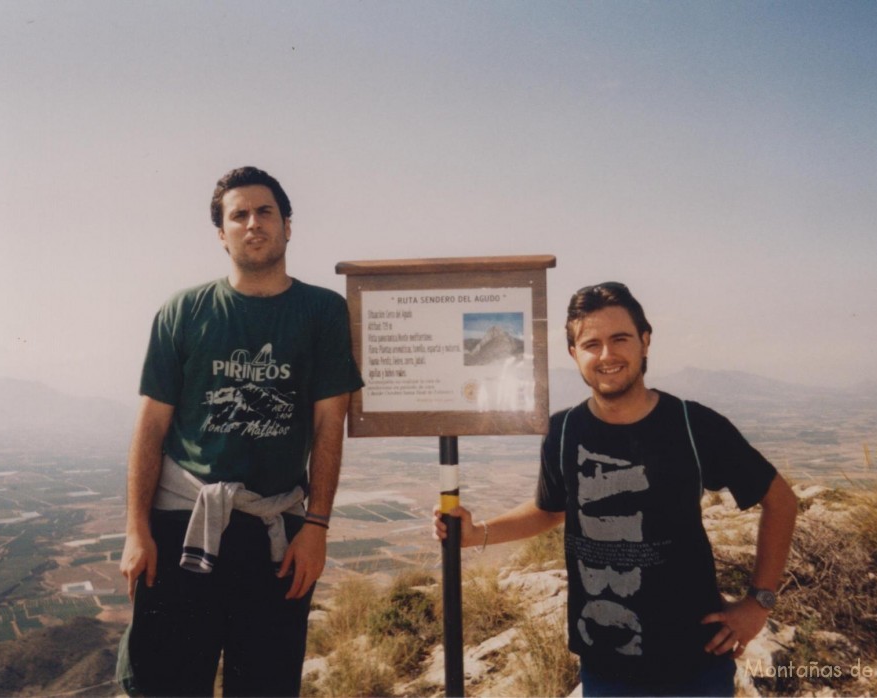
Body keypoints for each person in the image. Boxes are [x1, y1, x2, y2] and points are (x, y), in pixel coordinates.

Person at [434, 281, 797, 697]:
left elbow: (781, 501)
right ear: (574, 354)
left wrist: (758, 603)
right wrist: (477, 533)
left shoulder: (693, 425)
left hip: (694, 661)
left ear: (645, 341)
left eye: (620, 338)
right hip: (604, 665)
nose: (607, 355)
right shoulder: (563, 430)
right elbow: (552, 509)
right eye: (591, 344)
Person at [116, 166, 363, 697]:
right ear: (221, 233)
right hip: (182, 525)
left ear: (288, 225)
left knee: (266, 686)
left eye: (265, 211)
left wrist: (316, 525)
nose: (253, 223)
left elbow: (328, 423)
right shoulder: (184, 311)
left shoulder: (321, 311)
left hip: (275, 535)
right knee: (167, 684)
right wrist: (137, 530)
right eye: (239, 214)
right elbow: (151, 426)